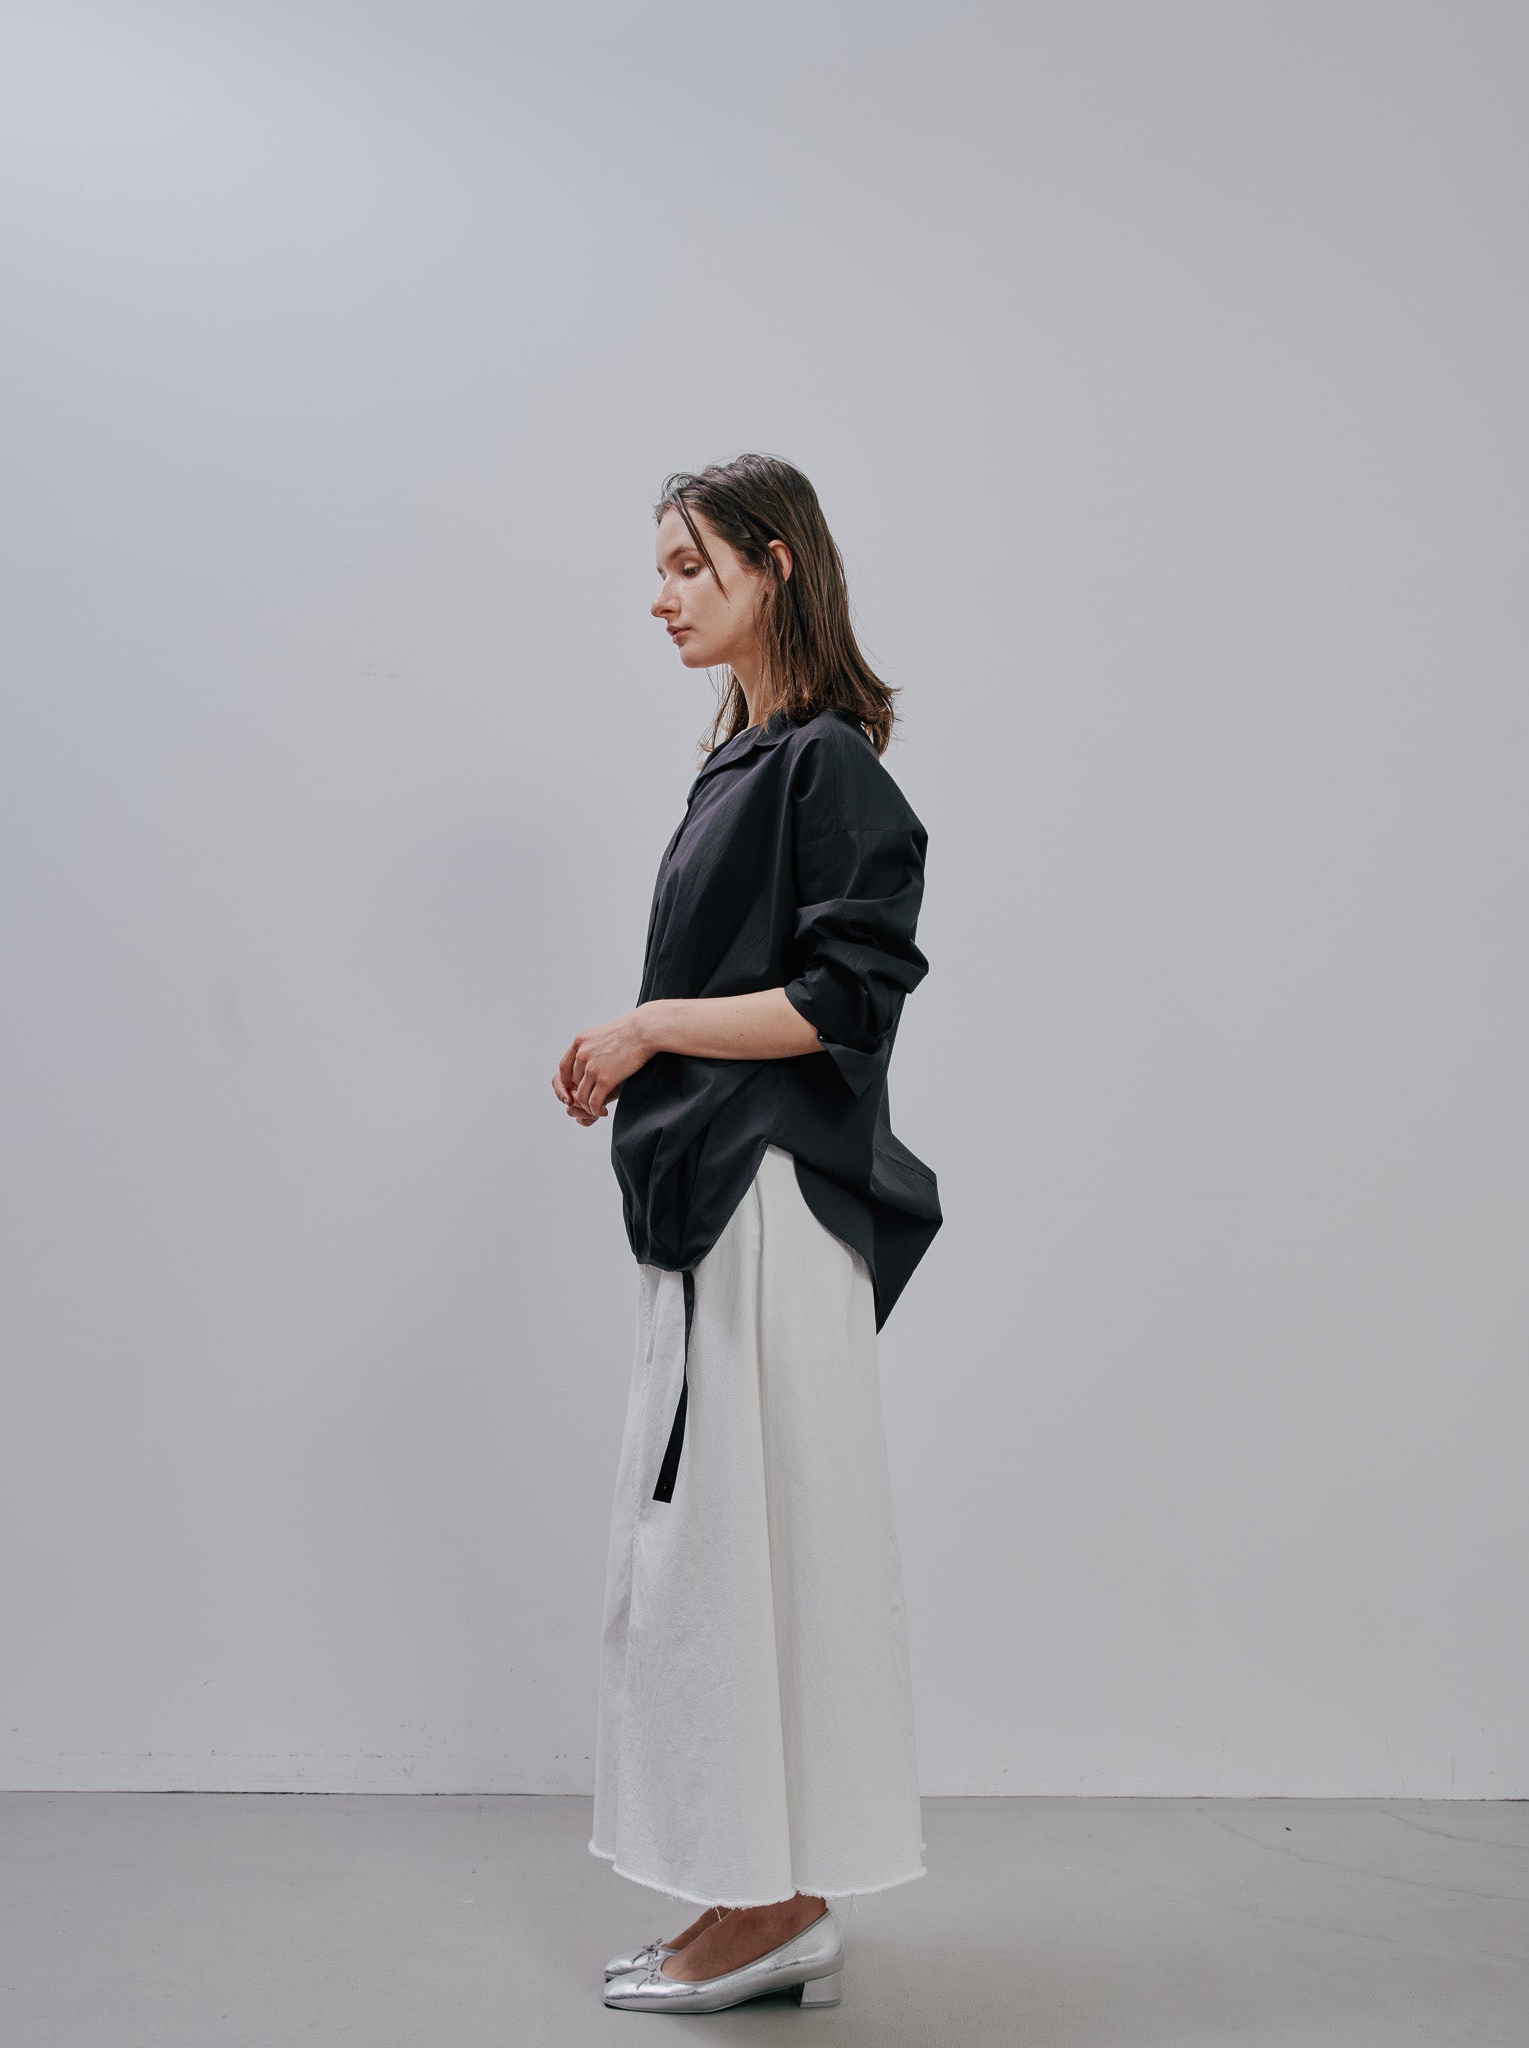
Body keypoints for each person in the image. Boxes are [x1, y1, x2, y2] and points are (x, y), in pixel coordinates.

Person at [553, 452, 941, 2015]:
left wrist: (649, 1024)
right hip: (723, 1192)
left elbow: (847, 999)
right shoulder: (750, 761)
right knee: (714, 1554)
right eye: (657, 567)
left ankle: (774, 1903)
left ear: (774, 564)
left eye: (686, 564)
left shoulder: (824, 766)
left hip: (770, 1199)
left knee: (744, 1549)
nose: (659, 597)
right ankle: (758, 1895)